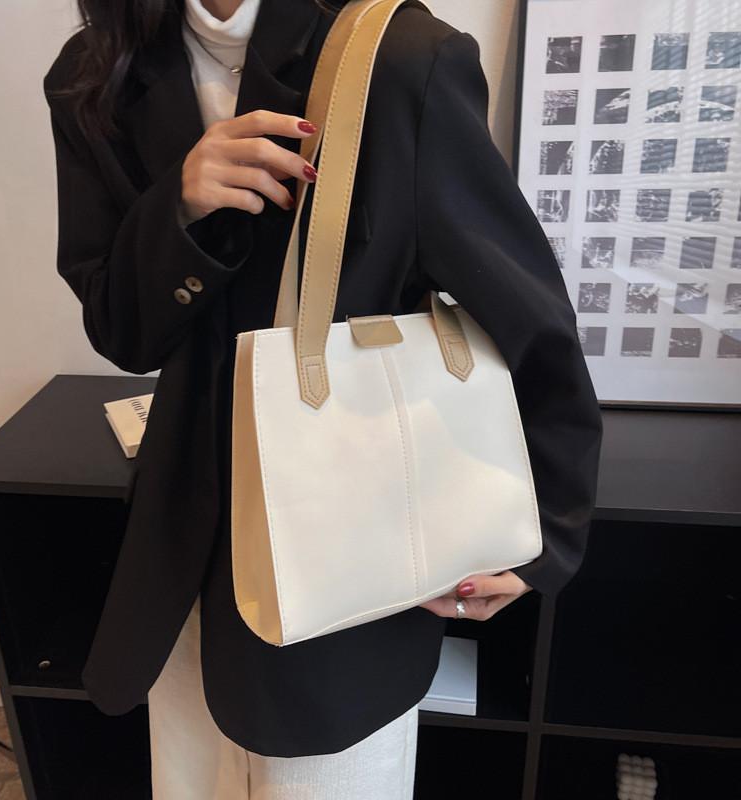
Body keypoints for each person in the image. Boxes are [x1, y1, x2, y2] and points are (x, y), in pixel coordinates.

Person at [42, 0, 603, 796]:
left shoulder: (400, 57)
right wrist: (180, 208)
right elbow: (121, 332)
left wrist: (547, 527)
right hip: (183, 557)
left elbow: (525, 309)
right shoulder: (97, 72)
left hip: (349, 555)